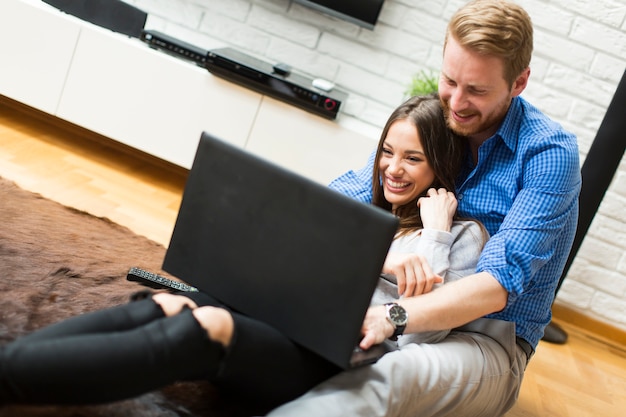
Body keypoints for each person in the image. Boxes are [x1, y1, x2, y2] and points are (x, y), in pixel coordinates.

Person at [0, 94, 486, 415]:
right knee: (171, 304)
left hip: (337, 357)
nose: (392, 170)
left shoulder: (461, 235)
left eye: (413, 158)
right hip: (287, 318)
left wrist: (435, 234)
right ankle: (12, 365)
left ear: (439, 164)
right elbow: (294, 258)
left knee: (212, 325)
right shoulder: (360, 207)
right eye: (386, 152)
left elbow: (430, 326)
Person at [264, 0, 581, 416]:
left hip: (486, 339)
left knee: (391, 375)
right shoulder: (437, 120)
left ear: (519, 83)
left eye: (477, 90)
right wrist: (384, 260)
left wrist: (393, 316)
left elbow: (496, 286)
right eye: (450, 80)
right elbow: (335, 209)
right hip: (386, 301)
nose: (457, 102)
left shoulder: (547, 154)